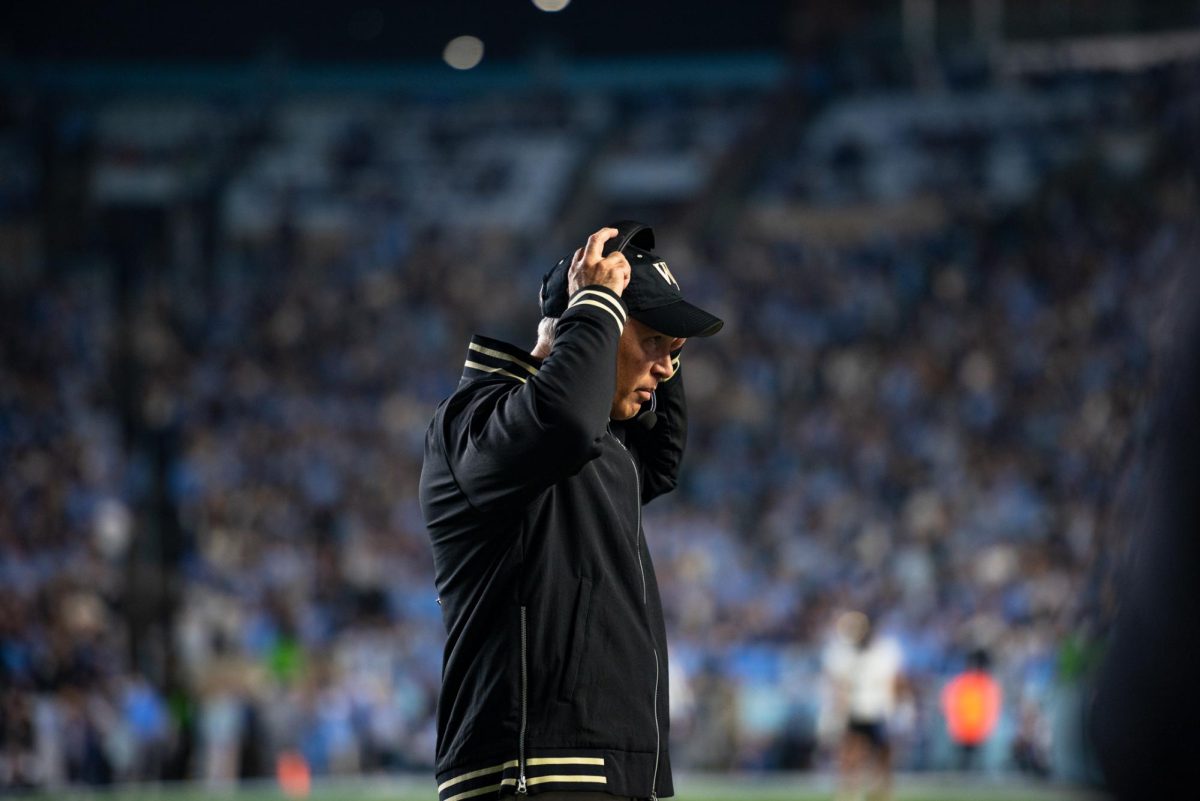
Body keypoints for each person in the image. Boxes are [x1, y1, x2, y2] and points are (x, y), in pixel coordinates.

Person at [420, 223, 723, 801]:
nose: (664, 368)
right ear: (587, 326)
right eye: (653, 340)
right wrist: (596, 305)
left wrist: (664, 342)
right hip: (533, 770)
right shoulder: (474, 420)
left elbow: (661, 463)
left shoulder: (602, 448)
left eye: (674, 350)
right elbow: (563, 422)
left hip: (603, 767)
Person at [822, 611, 905, 801]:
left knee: (882, 756)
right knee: (851, 754)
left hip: (879, 709)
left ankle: (881, 793)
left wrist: (896, 708)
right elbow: (840, 684)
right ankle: (849, 792)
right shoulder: (845, 652)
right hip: (856, 709)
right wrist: (839, 709)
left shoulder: (885, 651)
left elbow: (894, 681)